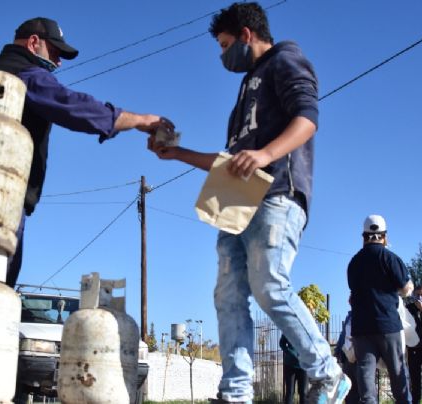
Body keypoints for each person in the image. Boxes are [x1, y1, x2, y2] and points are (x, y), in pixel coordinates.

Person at [149, 3, 350, 403]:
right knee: (227, 294)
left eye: (224, 46)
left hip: (277, 194)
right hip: (237, 203)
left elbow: (307, 118)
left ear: (245, 35)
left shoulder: (286, 60)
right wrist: (178, 154)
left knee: (270, 285)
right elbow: (229, 163)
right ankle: (236, 391)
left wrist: (264, 155)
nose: (223, 57)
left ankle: (328, 374)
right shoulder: (244, 92)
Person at [0, 17, 172, 287]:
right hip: (2, 200)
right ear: (34, 43)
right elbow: (73, 107)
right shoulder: (24, 75)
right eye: (56, 53)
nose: (58, 63)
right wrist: (140, 121)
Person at [347, 214, 414, 404]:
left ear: (364, 237)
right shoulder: (390, 258)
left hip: (361, 328)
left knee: (366, 378)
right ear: (384, 236)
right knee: (398, 373)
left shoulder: (354, 263)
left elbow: (353, 293)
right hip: (388, 325)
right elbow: (405, 288)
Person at [334, 308, 359, 404]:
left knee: (362, 389)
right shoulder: (349, 316)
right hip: (347, 357)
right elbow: (343, 335)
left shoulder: (364, 312)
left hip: (359, 357)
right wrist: (337, 351)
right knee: (349, 389)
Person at [281, 334, 307, 404]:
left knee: (304, 392)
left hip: (304, 365)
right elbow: (282, 343)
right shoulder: (288, 327)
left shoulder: (307, 328)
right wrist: (289, 352)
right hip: (290, 365)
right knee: (290, 391)